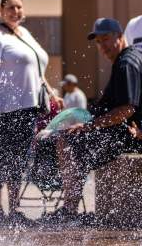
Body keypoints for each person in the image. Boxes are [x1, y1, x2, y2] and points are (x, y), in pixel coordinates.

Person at [49, 18, 142, 224]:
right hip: (124, 132)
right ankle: (71, 207)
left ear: (120, 36)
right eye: (99, 42)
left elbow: (127, 109)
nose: (103, 46)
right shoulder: (127, 59)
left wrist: (89, 126)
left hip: (128, 135)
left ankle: (70, 210)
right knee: (69, 138)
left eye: (107, 39)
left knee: (67, 142)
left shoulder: (126, 63)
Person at [0, 0, 55, 225]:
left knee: (19, 160)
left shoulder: (25, 34)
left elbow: (37, 69)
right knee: (1, 160)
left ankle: (14, 211)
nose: (16, 11)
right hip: (5, 108)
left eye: (19, 7)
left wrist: (51, 92)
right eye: (11, 7)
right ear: (1, 11)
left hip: (28, 107)